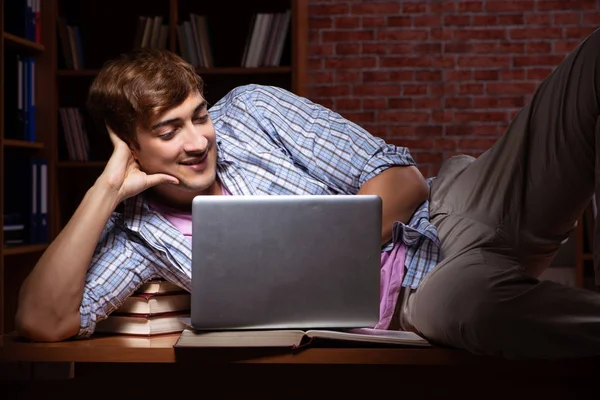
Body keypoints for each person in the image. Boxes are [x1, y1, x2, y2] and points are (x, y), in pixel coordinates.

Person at [13, 26, 600, 359]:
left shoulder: (253, 111)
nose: (197, 142)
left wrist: (306, 257)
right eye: (169, 131)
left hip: (452, 215)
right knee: (479, 316)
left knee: (585, 73)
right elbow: (43, 319)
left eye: (198, 116)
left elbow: (402, 181)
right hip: (419, 302)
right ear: (129, 145)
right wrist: (106, 188)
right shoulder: (140, 232)